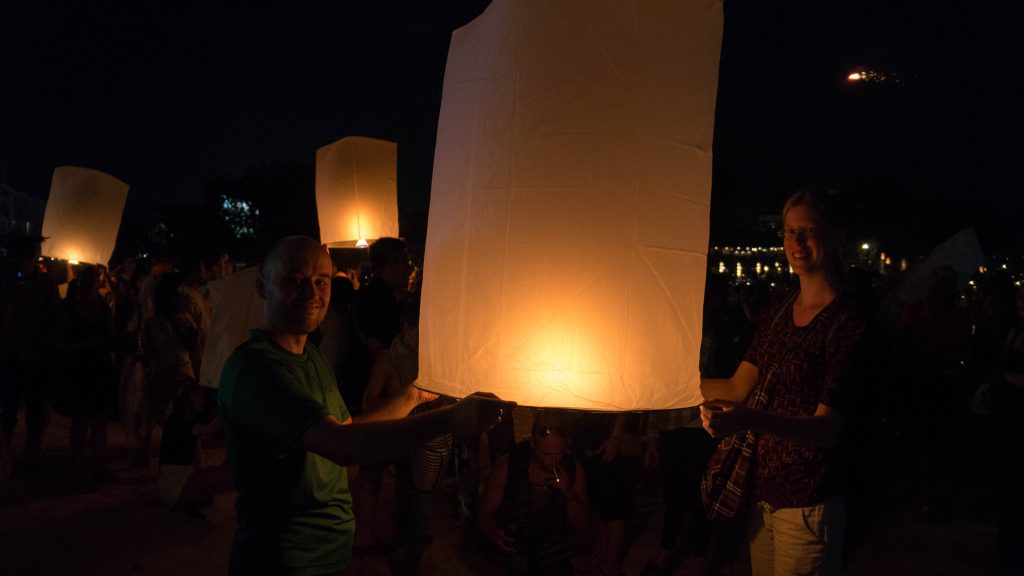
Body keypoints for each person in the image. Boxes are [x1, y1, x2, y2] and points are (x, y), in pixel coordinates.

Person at [217, 236, 510, 575]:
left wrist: (414, 394)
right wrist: (451, 420)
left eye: (321, 280)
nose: (312, 293)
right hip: (284, 558)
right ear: (262, 287)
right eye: (294, 280)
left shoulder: (309, 356)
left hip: (325, 553)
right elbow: (344, 446)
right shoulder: (256, 370)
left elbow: (349, 428)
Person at [700, 191, 867, 576]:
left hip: (809, 503)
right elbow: (737, 387)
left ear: (836, 237)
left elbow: (827, 429)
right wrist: (665, 380)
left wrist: (746, 420)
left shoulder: (848, 322)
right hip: (762, 498)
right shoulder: (778, 310)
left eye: (808, 231)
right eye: (789, 232)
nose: (796, 243)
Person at [477, 410, 589, 576]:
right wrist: (493, 532)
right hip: (514, 546)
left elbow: (583, 526)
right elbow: (483, 516)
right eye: (546, 454)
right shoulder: (509, 467)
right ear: (533, 444)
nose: (553, 461)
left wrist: (569, 493)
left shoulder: (572, 469)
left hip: (551, 548)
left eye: (559, 453)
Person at [157, 382, 232, 521]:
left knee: (219, 480)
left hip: (176, 483)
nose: (202, 399)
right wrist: (228, 408)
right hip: (174, 485)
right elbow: (209, 430)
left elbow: (198, 449)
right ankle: (182, 504)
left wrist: (201, 476)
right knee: (230, 474)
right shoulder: (177, 421)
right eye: (197, 396)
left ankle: (188, 500)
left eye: (202, 396)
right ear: (186, 400)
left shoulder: (183, 420)